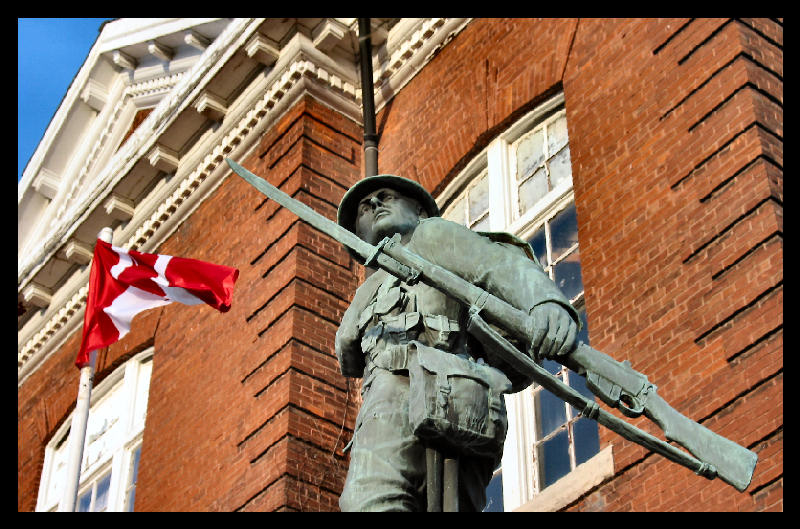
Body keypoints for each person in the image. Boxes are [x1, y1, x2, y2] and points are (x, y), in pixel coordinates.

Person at [335, 175, 579, 512]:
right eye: (364, 207)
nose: (375, 204)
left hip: (451, 394)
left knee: (377, 502)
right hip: (385, 403)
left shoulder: (432, 236)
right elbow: (348, 352)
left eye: (385, 196)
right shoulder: (365, 294)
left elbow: (497, 266)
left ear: (419, 209)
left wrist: (544, 302)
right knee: (371, 501)